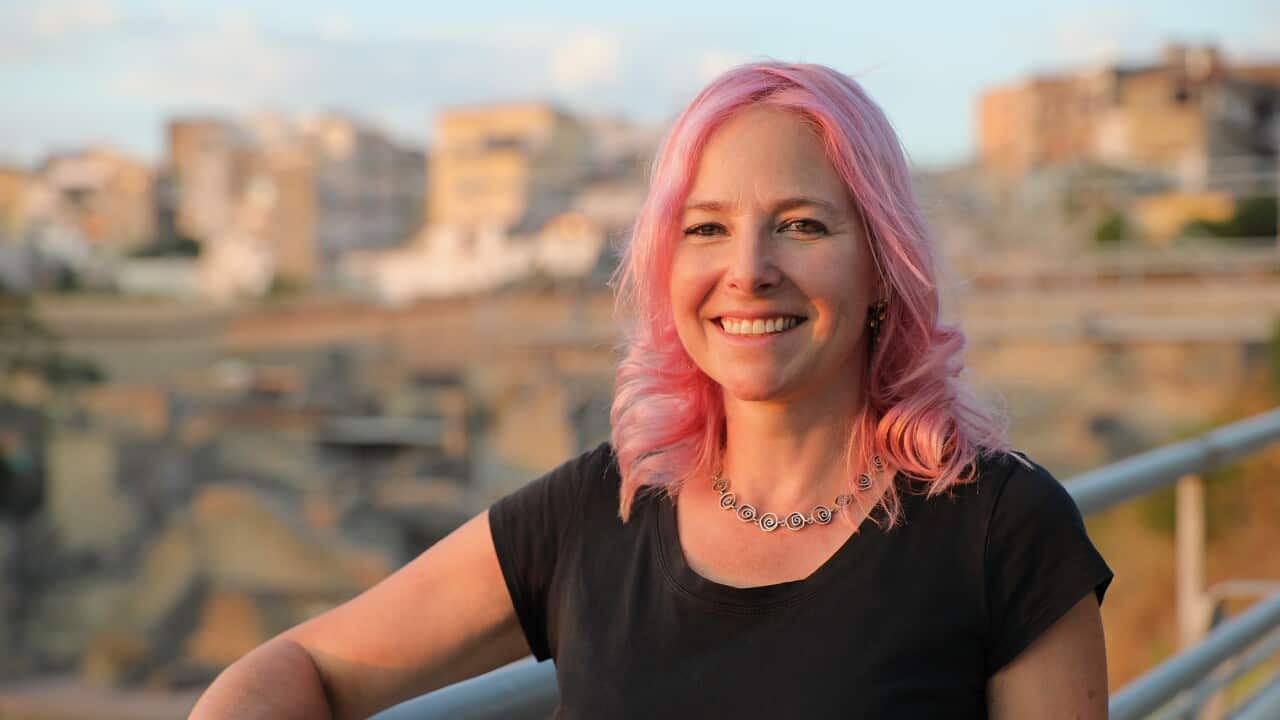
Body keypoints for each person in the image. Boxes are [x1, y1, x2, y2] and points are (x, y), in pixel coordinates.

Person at [190, 61, 1114, 719]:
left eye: (800, 224)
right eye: (706, 229)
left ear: (883, 266)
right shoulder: (600, 509)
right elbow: (302, 664)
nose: (748, 272)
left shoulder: (1003, 529)